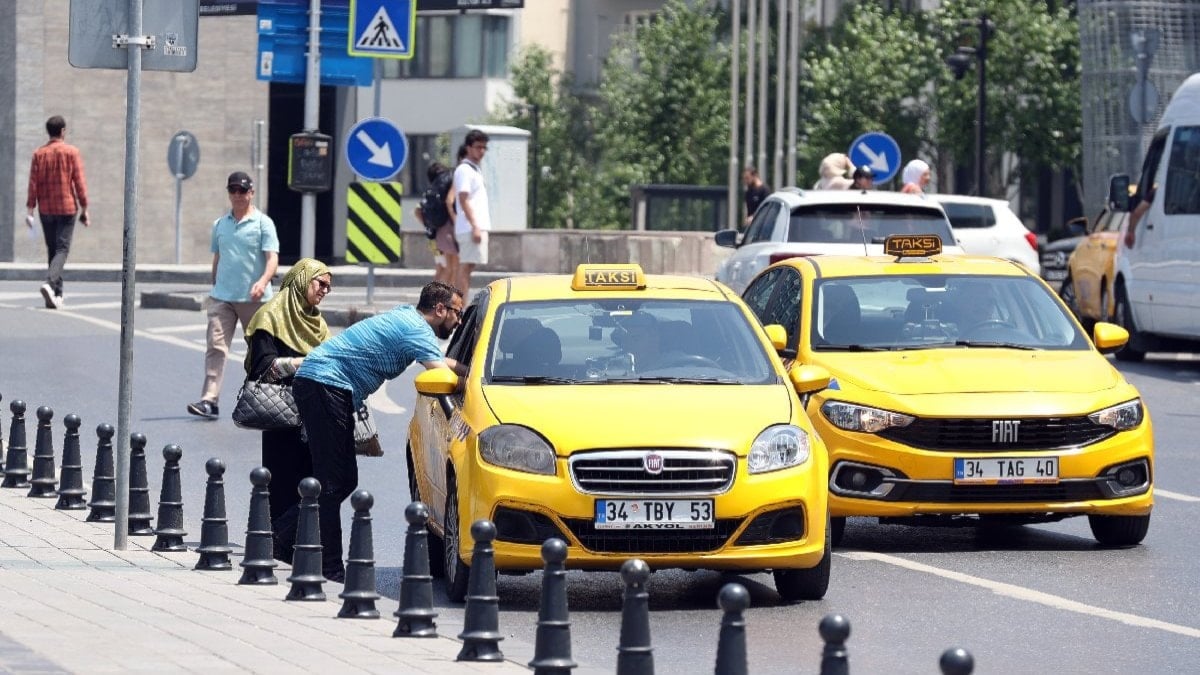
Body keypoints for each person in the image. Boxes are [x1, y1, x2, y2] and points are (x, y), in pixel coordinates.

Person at [291, 281, 469, 582]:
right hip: (325, 384)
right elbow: (440, 373)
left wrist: (470, 369)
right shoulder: (414, 329)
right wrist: (475, 385)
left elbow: (446, 363)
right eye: (457, 313)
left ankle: (283, 540)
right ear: (440, 309)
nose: (459, 321)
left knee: (340, 480)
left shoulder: (410, 322)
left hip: (325, 385)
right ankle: (328, 566)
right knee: (334, 481)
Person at [242, 258, 332, 563]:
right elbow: (261, 368)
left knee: (314, 481)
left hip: (314, 415)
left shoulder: (317, 323)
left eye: (328, 288)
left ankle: (301, 546)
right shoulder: (270, 317)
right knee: (282, 483)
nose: (324, 292)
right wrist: (301, 364)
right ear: (302, 280)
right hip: (281, 416)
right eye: (321, 284)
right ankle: (276, 546)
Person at [188, 171, 280, 419]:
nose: (237, 195)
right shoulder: (220, 225)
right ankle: (210, 400)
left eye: (242, 190)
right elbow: (218, 257)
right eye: (233, 190)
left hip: (255, 300)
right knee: (215, 347)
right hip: (223, 298)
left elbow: (272, 258)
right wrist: (215, 284)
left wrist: (262, 281)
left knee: (260, 351)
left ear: (251, 193)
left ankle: (266, 399)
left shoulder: (263, 224)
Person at [26, 115, 89, 310]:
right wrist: (85, 207)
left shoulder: (39, 154)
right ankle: (50, 284)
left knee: (53, 251)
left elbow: (33, 183)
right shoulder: (72, 152)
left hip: (46, 209)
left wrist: (30, 210)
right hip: (67, 208)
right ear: (63, 131)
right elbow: (79, 182)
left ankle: (56, 294)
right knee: (62, 250)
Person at [454, 129, 491, 301]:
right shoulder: (465, 170)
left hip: (475, 226)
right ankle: (459, 307)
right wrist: (475, 226)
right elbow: (463, 198)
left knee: (469, 267)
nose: (481, 151)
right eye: (478, 147)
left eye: (484, 148)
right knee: (465, 267)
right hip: (470, 227)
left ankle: (460, 304)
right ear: (468, 147)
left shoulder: (475, 169)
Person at [414, 161, 457, 284]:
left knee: (440, 267)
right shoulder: (442, 189)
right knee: (450, 268)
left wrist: (428, 224)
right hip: (443, 234)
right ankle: (441, 296)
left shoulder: (431, 191)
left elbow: (418, 211)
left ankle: (433, 294)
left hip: (432, 235)